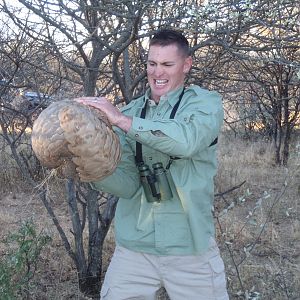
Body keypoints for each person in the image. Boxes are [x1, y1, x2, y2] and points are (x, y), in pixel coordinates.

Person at [76, 29, 229, 300]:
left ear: (186, 65)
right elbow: (127, 185)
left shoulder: (205, 104)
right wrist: (88, 166)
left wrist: (122, 121)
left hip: (190, 250)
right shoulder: (133, 110)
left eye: (168, 64)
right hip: (135, 249)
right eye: (152, 63)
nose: (158, 72)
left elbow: (186, 141)